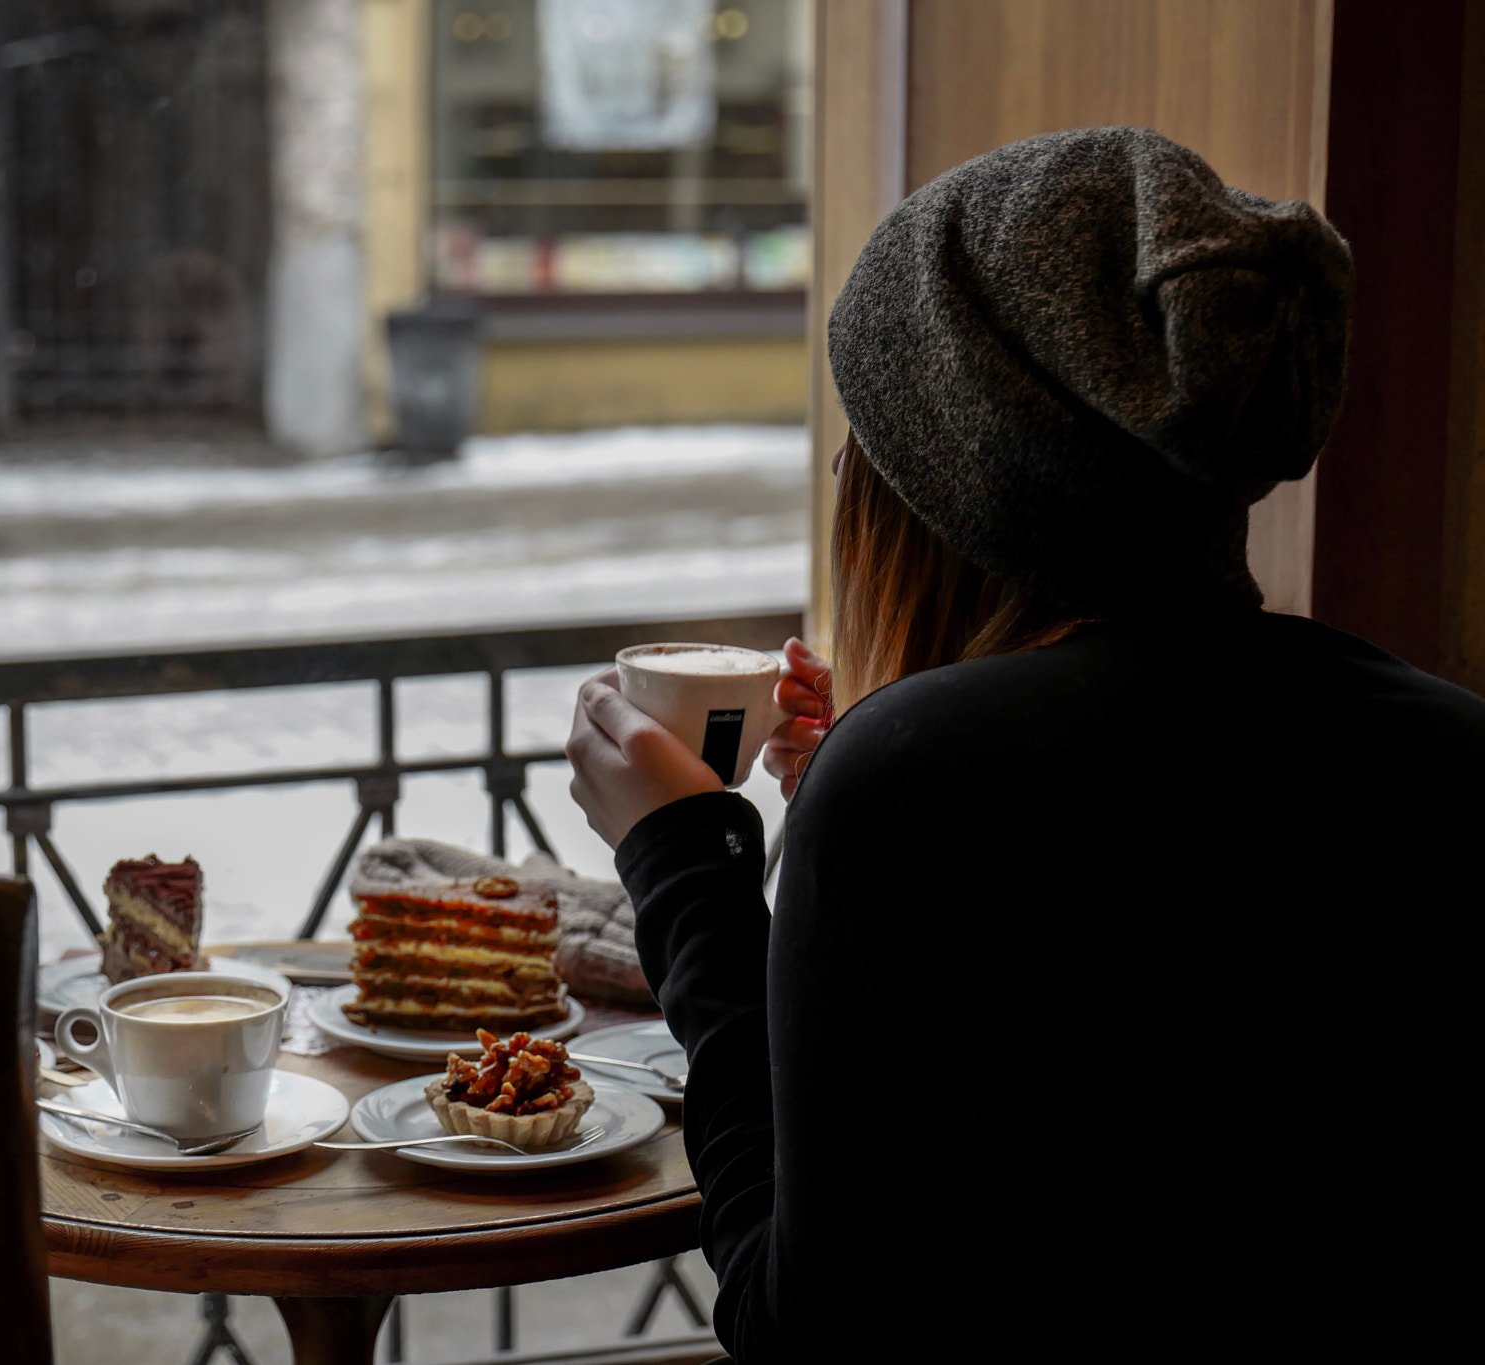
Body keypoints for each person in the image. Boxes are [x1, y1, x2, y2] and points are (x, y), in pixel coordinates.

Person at [566, 128, 1484, 1361]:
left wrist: (683, 862)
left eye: (870, 432)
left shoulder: (914, 782)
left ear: (945, 484)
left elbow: (801, 1327)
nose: (847, 465)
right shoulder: (1446, 743)